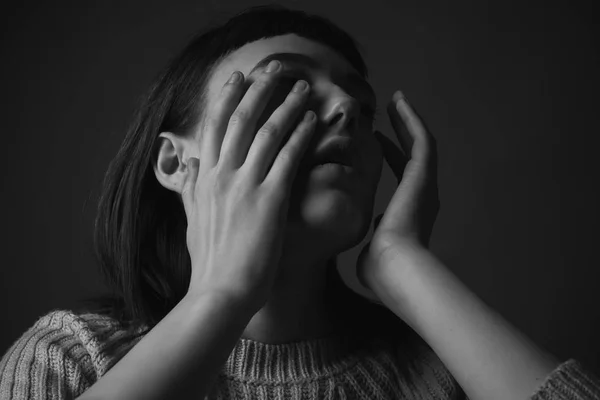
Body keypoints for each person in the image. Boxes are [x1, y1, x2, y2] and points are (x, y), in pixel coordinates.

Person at [1, 4, 599, 400]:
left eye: (362, 109)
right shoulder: (72, 359)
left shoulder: (442, 376)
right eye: (285, 85)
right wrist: (221, 297)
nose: (344, 108)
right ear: (176, 163)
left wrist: (402, 263)